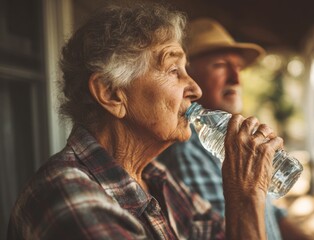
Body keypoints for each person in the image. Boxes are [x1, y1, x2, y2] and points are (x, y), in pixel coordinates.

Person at [7, 3, 285, 240]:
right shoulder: (67, 196)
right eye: (174, 70)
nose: (195, 89)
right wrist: (245, 197)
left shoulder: (157, 180)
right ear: (112, 94)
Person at [158, 18, 311, 240]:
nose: (236, 78)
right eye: (220, 65)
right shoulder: (186, 151)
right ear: (187, 76)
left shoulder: (236, 140)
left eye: (238, 67)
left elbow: (272, 215)